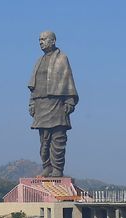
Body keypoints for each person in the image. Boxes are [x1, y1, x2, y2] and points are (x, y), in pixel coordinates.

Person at [27, 31, 78, 177]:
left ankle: (57, 169)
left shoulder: (62, 58)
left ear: (53, 41)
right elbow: (33, 86)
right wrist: (31, 103)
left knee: (58, 139)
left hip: (57, 104)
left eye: (44, 39)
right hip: (41, 104)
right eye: (39, 40)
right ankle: (47, 166)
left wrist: (69, 100)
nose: (40, 42)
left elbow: (67, 80)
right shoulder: (39, 61)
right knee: (44, 143)